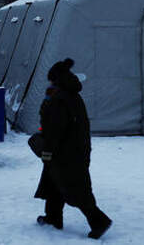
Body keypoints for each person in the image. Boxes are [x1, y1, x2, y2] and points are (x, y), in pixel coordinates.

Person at [34, 58, 112, 239]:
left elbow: (54, 129)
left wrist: (47, 150)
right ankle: (53, 217)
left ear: (56, 80)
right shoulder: (70, 95)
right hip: (74, 150)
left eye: (51, 80)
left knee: (76, 188)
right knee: (54, 182)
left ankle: (99, 221)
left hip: (67, 153)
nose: (50, 84)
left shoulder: (60, 99)